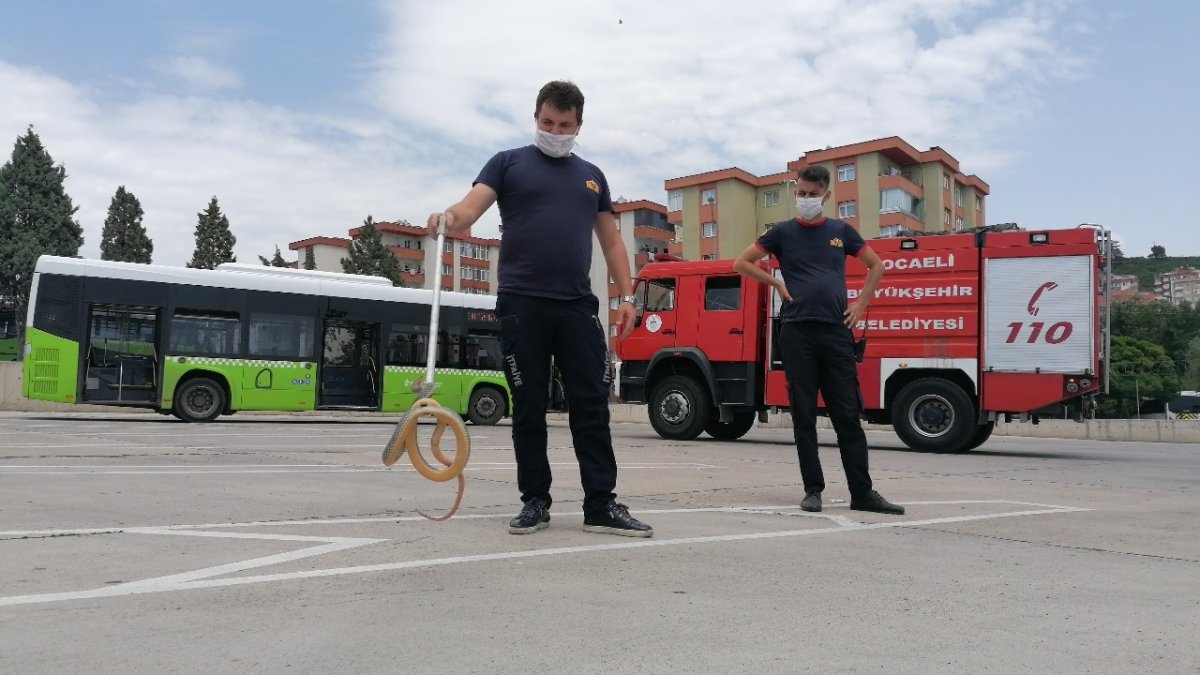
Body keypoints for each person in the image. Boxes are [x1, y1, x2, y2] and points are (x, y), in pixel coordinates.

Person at [427, 80, 652, 537]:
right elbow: (471, 208)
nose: (554, 130)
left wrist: (628, 298)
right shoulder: (508, 163)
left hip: (575, 307)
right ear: (536, 118)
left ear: (578, 126)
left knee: (590, 405)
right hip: (521, 304)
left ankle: (601, 504)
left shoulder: (592, 176)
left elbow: (611, 240)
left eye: (564, 125)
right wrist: (446, 218)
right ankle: (535, 500)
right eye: (547, 122)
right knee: (528, 405)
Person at [733, 165, 905, 515]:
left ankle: (862, 492)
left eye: (812, 194)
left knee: (847, 414)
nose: (805, 200)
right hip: (797, 332)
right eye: (801, 194)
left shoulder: (841, 231)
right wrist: (777, 284)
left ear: (826, 195)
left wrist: (862, 302)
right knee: (804, 415)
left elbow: (877, 266)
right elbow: (742, 262)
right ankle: (813, 490)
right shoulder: (781, 233)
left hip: (836, 333)